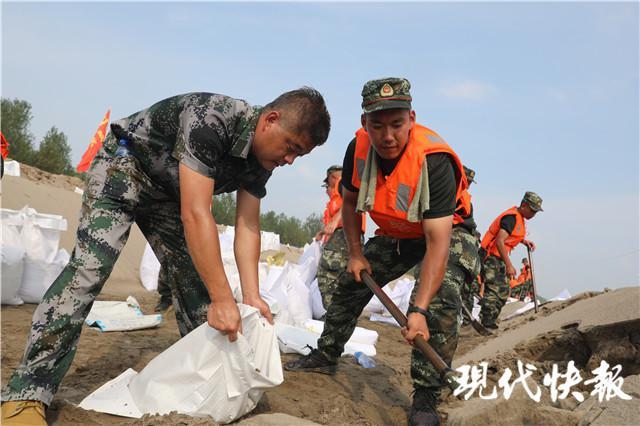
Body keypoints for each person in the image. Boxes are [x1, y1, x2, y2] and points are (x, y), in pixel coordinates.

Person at [1, 89, 331, 425]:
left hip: (165, 198)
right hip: (124, 169)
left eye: (298, 156)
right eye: (291, 148)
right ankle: (26, 393)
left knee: (199, 295)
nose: (290, 160)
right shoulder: (213, 118)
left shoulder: (262, 160)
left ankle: (213, 388)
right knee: (89, 271)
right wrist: (222, 298)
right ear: (271, 120)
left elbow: (247, 226)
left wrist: (251, 295)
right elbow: (196, 212)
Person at [284, 77, 468, 426]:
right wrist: (356, 252)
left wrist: (418, 309)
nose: (387, 136)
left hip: (449, 235)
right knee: (352, 282)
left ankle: (426, 398)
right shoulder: (359, 150)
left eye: (397, 125)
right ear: (364, 123)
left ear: (411, 119)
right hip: (398, 233)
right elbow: (351, 202)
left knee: (440, 300)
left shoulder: (434, 159)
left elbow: (438, 243)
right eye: (378, 125)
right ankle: (326, 353)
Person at [478, 192, 543, 329]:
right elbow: (500, 240)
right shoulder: (511, 218)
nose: (533, 214)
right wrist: (509, 264)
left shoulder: (519, 218)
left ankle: (489, 320)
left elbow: (510, 235)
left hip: (498, 257)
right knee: (494, 290)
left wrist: (523, 241)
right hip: (491, 257)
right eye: (532, 210)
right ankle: (486, 322)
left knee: (502, 292)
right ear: (524, 205)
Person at [315, 165, 366, 309]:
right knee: (343, 276)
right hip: (346, 234)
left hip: (345, 233)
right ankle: (339, 312)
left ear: (332, 177)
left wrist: (335, 220)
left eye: (327, 183)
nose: (327, 187)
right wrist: (324, 232)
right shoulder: (338, 193)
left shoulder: (343, 181)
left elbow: (350, 203)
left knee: (328, 273)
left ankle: (334, 312)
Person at [455, 166, 483, 327]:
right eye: (467, 180)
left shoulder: (465, 197)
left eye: (471, 182)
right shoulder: (450, 190)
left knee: (467, 284)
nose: (469, 184)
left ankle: (465, 319)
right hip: (453, 242)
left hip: (466, 243)